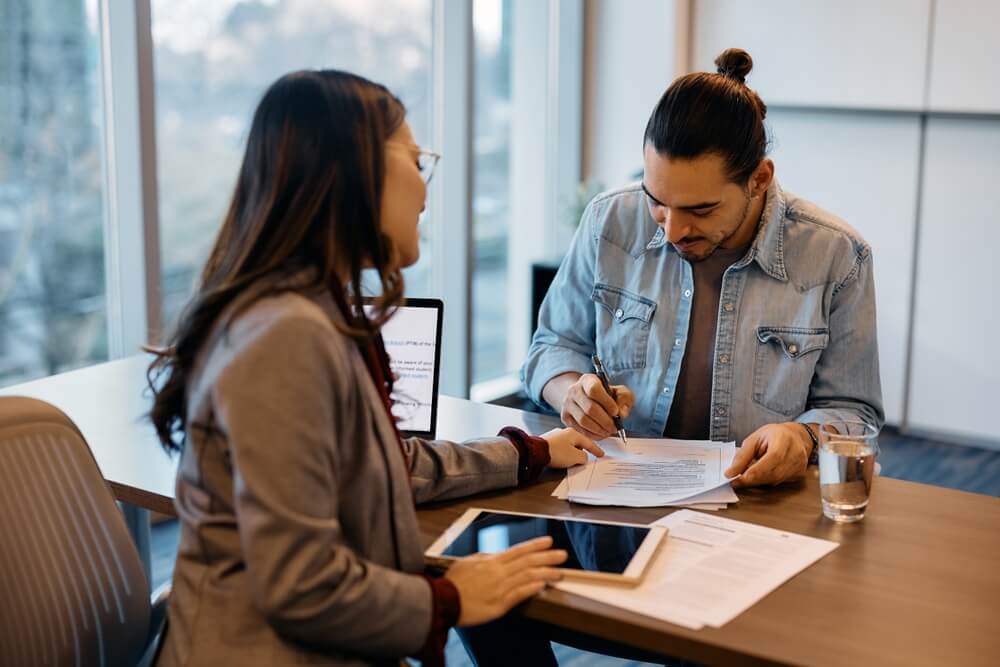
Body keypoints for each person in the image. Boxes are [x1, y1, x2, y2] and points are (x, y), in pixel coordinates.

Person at [147, 69, 604, 667]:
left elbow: (383, 465)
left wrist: (528, 453)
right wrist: (448, 597)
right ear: (353, 170)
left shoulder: (311, 312)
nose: (424, 189)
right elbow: (303, 584)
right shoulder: (286, 338)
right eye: (416, 161)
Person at [522, 48, 884, 488]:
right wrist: (571, 392)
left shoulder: (837, 256)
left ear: (759, 179)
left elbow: (854, 411)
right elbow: (551, 346)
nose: (674, 229)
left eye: (701, 209)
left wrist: (803, 437)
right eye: (656, 201)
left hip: (758, 514)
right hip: (616, 502)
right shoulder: (609, 222)